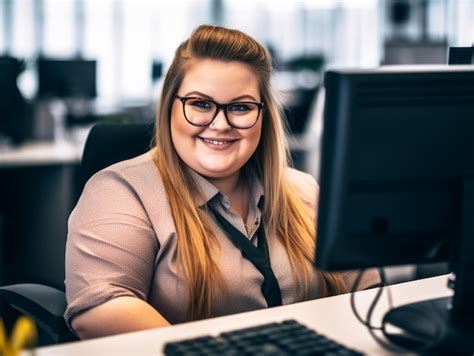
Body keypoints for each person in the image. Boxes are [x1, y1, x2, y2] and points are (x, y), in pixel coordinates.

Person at [65, 25, 380, 339]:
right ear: (170, 107)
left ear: (263, 115)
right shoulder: (120, 192)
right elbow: (102, 309)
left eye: (241, 107)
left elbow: (366, 290)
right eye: (200, 104)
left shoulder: (303, 190)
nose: (220, 124)